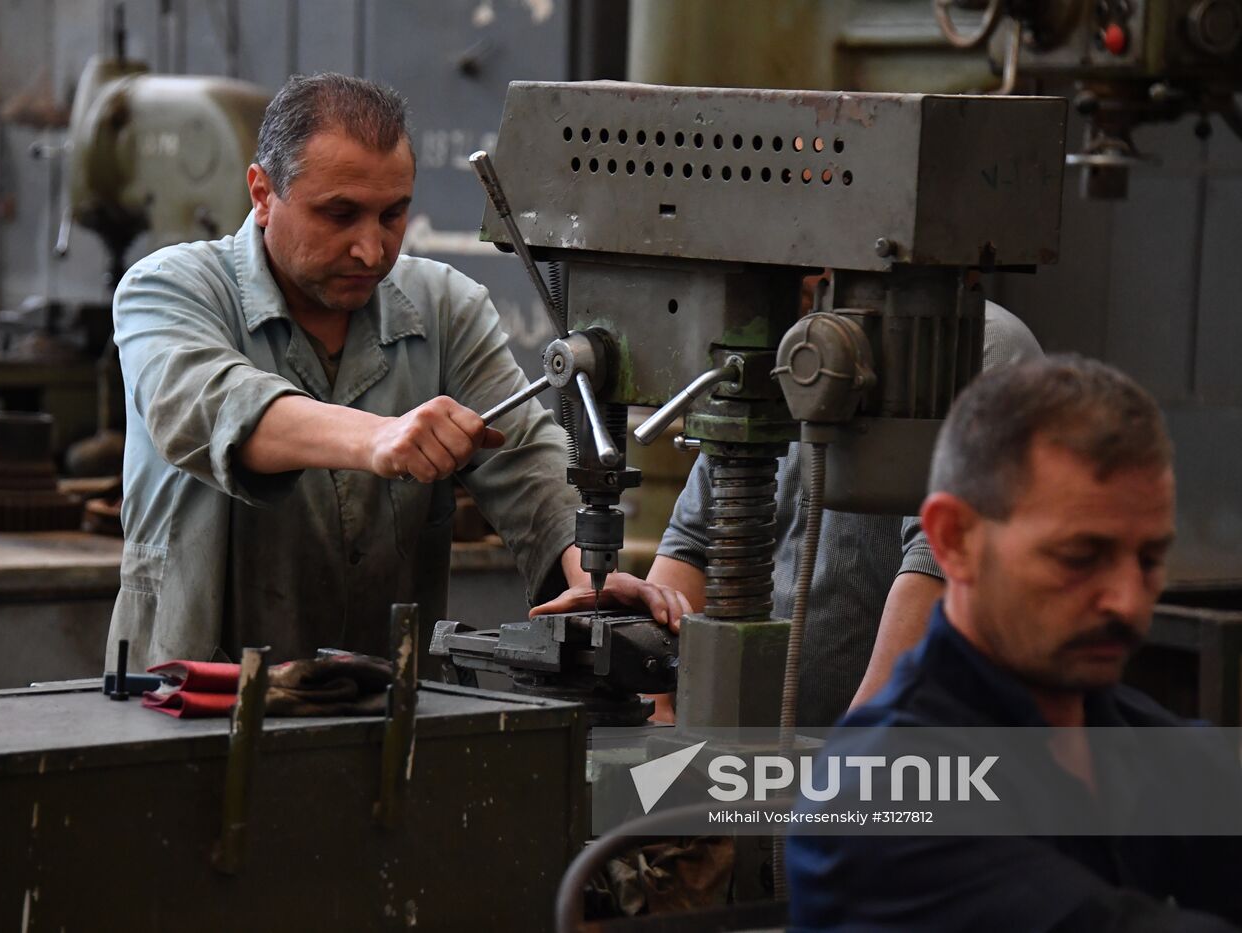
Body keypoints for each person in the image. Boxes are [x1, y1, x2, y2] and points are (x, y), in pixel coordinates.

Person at [106, 73, 677, 670]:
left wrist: (587, 574)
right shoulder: (167, 289)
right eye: (340, 214)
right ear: (262, 193)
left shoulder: (444, 307)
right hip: (191, 699)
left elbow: (526, 454)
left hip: (384, 702)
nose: (371, 251)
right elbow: (213, 404)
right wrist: (378, 436)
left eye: (392, 215)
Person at [787, 354, 1242, 930]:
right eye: (1080, 557)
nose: (1128, 601)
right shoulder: (876, 800)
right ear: (954, 541)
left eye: (1149, 559)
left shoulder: (1156, 753)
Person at [649, 299, 1042, 727]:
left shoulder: (975, 344)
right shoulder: (776, 341)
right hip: (759, 752)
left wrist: (850, 756)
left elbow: (939, 564)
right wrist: (657, 706)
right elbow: (694, 542)